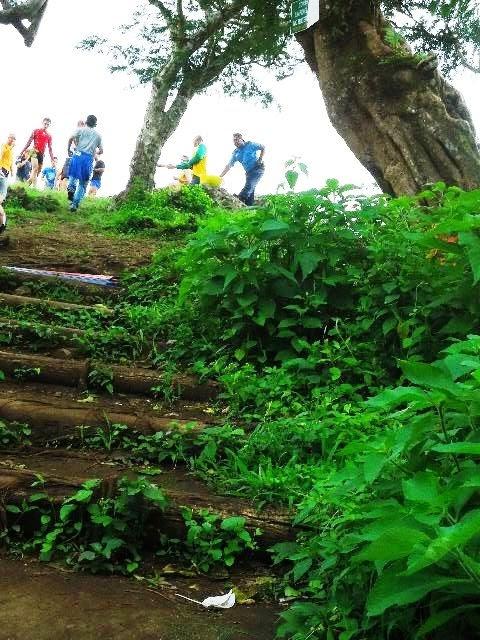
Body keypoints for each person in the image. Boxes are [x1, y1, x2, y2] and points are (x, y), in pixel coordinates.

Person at [66, 115, 103, 212]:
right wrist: (94, 152)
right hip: (87, 159)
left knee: (73, 176)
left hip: (77, 155)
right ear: (95, 124)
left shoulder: (80, 130)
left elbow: (70, 138)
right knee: (83, 183)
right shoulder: (98, 136)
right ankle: (75, 204)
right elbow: (101, 151)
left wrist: (68, 149)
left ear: (86, 122)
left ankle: (71, 189)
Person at [220, 133, 265, 206]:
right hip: (248, 173)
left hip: (257, 169)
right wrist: (220, 176)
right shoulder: (236, 153)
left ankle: (239, 198)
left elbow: (263, 147)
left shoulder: (250, 145)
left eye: (237, 140)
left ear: (242, 139)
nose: (235, 142)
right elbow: (228, 165)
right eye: (234, 141)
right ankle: (249, 206)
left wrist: (260, 159)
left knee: (249, 186)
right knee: (251, 190)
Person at [20, 117, 54, 187]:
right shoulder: (36, 131)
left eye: (48, 124)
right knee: (35, 168)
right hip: (34, 151)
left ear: (49, 125)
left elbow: (50, 148)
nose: (46, 125)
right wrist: (22, 151)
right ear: (42, 123)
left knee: (38, 172)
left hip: (41, 154)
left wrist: (52, 159)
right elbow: (28, 142)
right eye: (45, 124)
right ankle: (34, 187)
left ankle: (26, 185)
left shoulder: (49, 136)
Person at [0, 133, 16, 234]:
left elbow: (10, 161)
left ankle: (2, 223)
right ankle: (2, 224)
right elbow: (1, 154)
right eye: (11, 138)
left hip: (5, 171)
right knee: (2, 196)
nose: (12, 140)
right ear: (8, 138)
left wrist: (12, 170)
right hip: (1, 170)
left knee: (2, 196)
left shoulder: (10, 149)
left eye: (13, 139)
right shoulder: (4, 146)